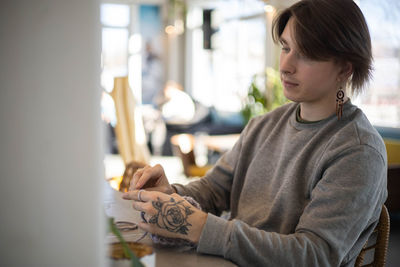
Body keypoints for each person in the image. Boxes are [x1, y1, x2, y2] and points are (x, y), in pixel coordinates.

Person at [122, 0, 388, 266]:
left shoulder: (358, 151)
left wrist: (204, 228)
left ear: (345, 67)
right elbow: (214, 190)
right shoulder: (263, 125)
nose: (285, 65)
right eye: (285, 47)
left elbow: (313, 255)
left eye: (305, 54)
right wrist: (171, 195)